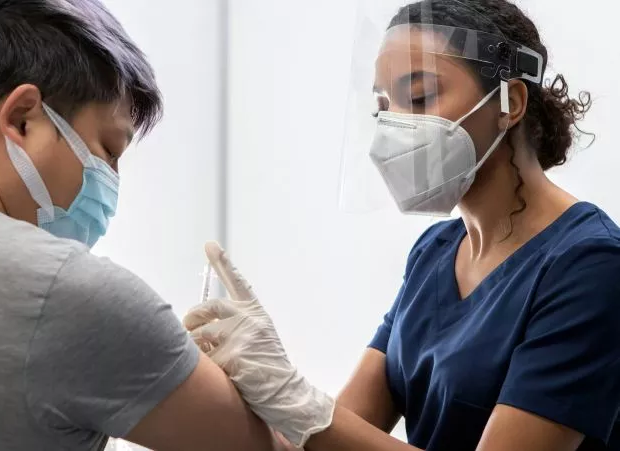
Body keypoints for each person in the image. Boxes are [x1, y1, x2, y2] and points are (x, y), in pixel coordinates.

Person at [184, 1, 620, 450]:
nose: (394, 127)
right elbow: (334, 434)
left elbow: (322, 423)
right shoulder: (435, 252)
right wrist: (237, 385)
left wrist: (294, 398)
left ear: (511, 103)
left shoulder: (592, 266)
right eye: (383, 106)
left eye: (419, 97)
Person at [0, 1, 287, 450]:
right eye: (108, 151)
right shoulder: (65, 289)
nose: (112, 184)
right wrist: (280, 395)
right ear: (23, 119)